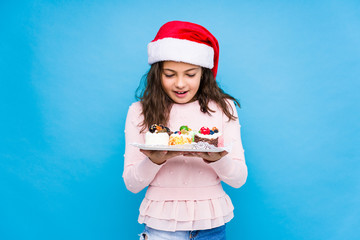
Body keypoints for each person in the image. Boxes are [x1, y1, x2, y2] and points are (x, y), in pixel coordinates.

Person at [123, 20, 248, 240]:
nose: (180, 84)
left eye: (190, 74)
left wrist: (216, 158)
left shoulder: (223, 108)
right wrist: (155, 159)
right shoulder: (138, 111)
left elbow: (239, 179)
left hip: (212, 226)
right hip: (161, 227)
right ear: (157, 74)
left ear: (203, 73)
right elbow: (132, 184)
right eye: (170, 74)